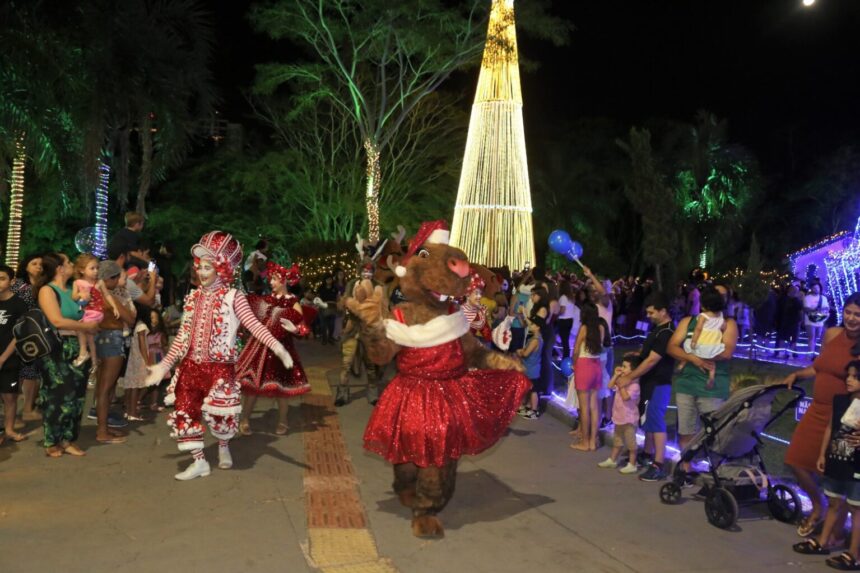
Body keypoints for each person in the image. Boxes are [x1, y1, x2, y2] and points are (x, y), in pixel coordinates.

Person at [144, 231, 294, 481]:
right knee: (185, 411)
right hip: (191, 366)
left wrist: (278, 348)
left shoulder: (234, 297)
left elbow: (255, 326)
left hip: (220, 368)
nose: (202, 273)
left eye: (208, 267)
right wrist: (164, 366)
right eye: (200, 267)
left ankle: (223, 446)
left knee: (220, 415)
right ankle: (199, 461)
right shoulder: (193, 297)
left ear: (222, 269)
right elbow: (182, 337)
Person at [784, 292, 860, 538]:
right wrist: (798, 375)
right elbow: (819, 367)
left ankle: (836, 528)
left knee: (838, 475)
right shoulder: (831, 334)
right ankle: (818, 506)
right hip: (817, 410)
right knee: (796, 460)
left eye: (858, 314)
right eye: (848, 312)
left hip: (844, 418)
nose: (851, 318)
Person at [792, 360, 860, 568]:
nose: (849, 380)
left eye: (856, 377)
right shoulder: (840, 401)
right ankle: (823, 541)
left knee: (856, 508)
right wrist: (822, 454)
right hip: (837, 458)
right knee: (834, 502)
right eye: (848, 375)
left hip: (856, 464)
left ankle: (854, 554)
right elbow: (830, 428)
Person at [669, 286, 738, 480]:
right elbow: (672, 347)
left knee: (714, 433)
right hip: (687, 385)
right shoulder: (689, 321)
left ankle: (716, 473)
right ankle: (687, 468)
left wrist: (693, 353)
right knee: (686, 430)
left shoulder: (728, 324)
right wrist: (694, 359)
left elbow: (726, 352)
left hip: (712, 388)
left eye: (723, 295)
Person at [236, 261, 310, 436]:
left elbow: (304, 327)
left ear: (284, 281)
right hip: (259, 347)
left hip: (281, 350)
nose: (271, 283)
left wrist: (296, 329)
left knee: (281, 388)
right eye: (271, 279)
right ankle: (245, 419)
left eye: (275, 279)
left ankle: (283, 421)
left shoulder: (293, 302)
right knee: (252, 386)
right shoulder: (266, 299)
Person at [37, 253, 99, 457]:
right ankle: (51, 440)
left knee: (77, 394)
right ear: (59, 269)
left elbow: (83, 313)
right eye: (69, 262)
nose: (72, 265)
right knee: (57, 394)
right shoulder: (48, 290)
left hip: (77, 345)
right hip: (58, 346)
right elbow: (57, 320)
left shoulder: (73, 290)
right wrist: (87, 326)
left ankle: (68, 438)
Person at [616, 292, 675, 481]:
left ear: (663, 311)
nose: (648, 316)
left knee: (656, 421)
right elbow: (647, 353)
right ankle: (648, 454)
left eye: (651, 312)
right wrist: (637, 354)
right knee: (648, 419)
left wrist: (630, 377)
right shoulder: (658, 329)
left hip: (659, 382)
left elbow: (652, 360)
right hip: (650, 382)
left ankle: (659, 464)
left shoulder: (666, 332)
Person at [93, 261, 137, 443]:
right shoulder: (104, 295)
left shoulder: (100, 293)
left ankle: (103, 427)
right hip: (111, 339)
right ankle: (102, 432)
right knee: (106, 387)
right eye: (117, 277)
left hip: (106, 338)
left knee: (105, 386)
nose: (121, 280)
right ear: (109, 279)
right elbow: (129, 318)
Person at [72, 254, 119, 369]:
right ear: (82, 270)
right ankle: (94, 362)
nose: (96, 271)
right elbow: (73, 297)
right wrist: (80, 294)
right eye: (92, 268)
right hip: (86, 311)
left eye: (97, 268)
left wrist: (114, 307)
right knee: (90, 338)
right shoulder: (77, 283)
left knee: (80, 328)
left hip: (96, 312)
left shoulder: (99, 282)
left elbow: (107, 295)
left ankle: (83, 352)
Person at [597, 355, 641, 474]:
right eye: (622, 366)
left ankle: (632, 464)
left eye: (625, 367)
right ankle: (613, 459)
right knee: (617, 441)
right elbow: (610, 386)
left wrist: (621, 386)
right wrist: (616, 376)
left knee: (631, 443)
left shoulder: (634, 385)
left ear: (633, 370)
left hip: (629, 419)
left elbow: (626, 397)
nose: (622, 368)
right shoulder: (622, 380)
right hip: (619, 417)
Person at [570, 302, 605, 451]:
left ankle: (584, 442)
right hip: (596, 365)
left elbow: (576, 349)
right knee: (594, 407)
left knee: (584, 408)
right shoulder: (601, 328)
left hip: (584, 365)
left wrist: (573, 363)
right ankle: (592, 441)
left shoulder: (584, 328)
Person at [0, 264, 29, 443]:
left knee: (9, 395)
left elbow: (20, 333)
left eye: (2, 278)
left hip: (9, 357)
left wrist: (3, 357)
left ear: (11, 281)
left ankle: (9, 429)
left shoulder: (18, 303)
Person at [11, 254, 42, 421]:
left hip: (36, 334)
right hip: (18, 332)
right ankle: (19, 409)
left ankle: (28, 407)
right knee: (19, 372)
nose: (38, 266)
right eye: (34, 263)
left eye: (40, 264)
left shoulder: (45, 286)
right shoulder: (19, 286)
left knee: (32, 372)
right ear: (26, 267)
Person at [679, 288, 727, 389]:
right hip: (713, 343)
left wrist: (694, 341)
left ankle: (682, 364)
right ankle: (711, 377)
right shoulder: (720, 317)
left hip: (702, 341)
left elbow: (698, 329)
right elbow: (723, 327)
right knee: (711, 363)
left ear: (704, 305)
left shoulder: (703, 316)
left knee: (689, 350)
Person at [120, 303, 156, 421]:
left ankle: (129, 411)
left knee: (131, 386)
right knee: (136, 386)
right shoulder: (142, 326)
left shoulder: (136, 325)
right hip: (139, 358)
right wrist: (147, 361)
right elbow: (142, 345)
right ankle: (133, 413)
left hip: (133, 358)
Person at [516, 319, 543, 420]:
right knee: (529, 389)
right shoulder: (538, 338)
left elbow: (526, 354)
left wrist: (519, 352)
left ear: (538, 327)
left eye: (532, 324)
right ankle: (527, 407)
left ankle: (534, 411)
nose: (530, 325)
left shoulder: (535, 340)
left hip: (531, 369)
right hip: (531, 368)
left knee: (533, 390)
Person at [805, 282, 831, 356]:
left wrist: (824, 310)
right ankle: (810, 353)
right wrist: (815, 309)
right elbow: (806, 308)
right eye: (814, 287)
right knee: (811, 336)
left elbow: (827, 308)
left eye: (817, 288)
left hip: (820, 319)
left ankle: (813, 353)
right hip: (810, 319)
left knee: (817, 336)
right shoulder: (808, 297)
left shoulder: (823, 298)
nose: (816, 289)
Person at [557, 280, 578, 360]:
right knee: (565, 341)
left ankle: (565, 358)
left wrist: (556, 313)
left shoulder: (563, 297)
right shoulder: (571, 297)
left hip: (563, 321)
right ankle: (566, 357)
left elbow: (562, 310)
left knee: (564, 341)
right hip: (570, 320)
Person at [317, 274, 339, 345]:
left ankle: (330, 338)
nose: (329, 281)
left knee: (331, 324)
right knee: (323, 324)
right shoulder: (321, 288)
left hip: (332, 308)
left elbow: (337, 298)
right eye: (327, 279)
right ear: (325, 280)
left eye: (330, 279)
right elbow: (318, 298)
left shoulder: (335, 288)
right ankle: (324, 339)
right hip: (323, 308)